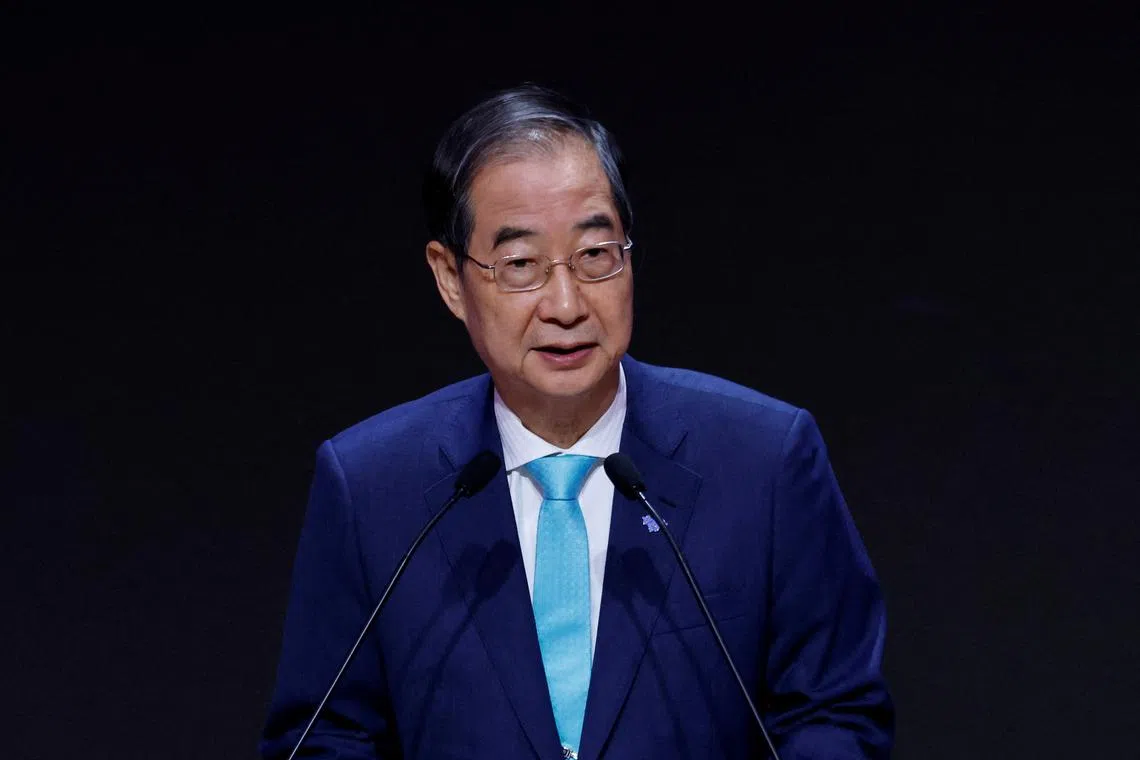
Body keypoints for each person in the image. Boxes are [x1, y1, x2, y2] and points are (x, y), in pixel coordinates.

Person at [261, 84, 894, 759]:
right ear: (451, 279)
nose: (566, 304)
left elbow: (835, 714)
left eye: (595, 256)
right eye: (522, 265)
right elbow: (326, 736)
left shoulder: (764, 460)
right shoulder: (370, 484)